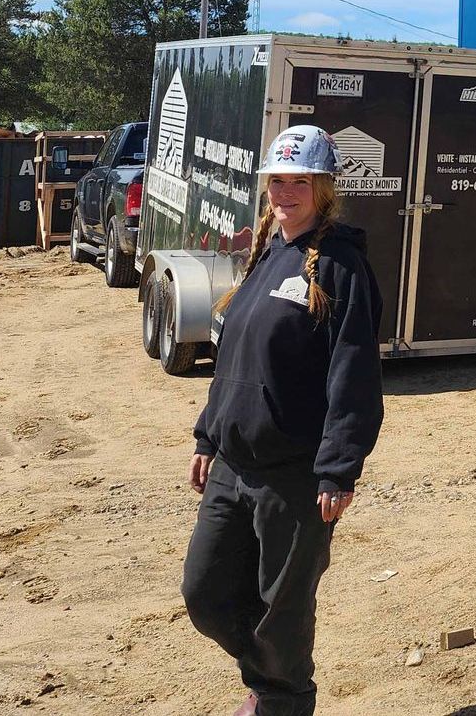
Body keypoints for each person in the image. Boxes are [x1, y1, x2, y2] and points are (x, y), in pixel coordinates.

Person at [181, 125, 385, 716]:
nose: (286, 191)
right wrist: (207, 433)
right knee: (207, 595)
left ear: (325, 188)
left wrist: (338, 470)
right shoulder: (269, 250)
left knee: (283, 608)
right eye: (278, 179)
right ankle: (273, 684)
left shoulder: (341, 267)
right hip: (233, 466)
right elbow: (236, 357)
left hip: (295, 476)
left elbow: (354, 377)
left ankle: (282, 701)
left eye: (301, 180)